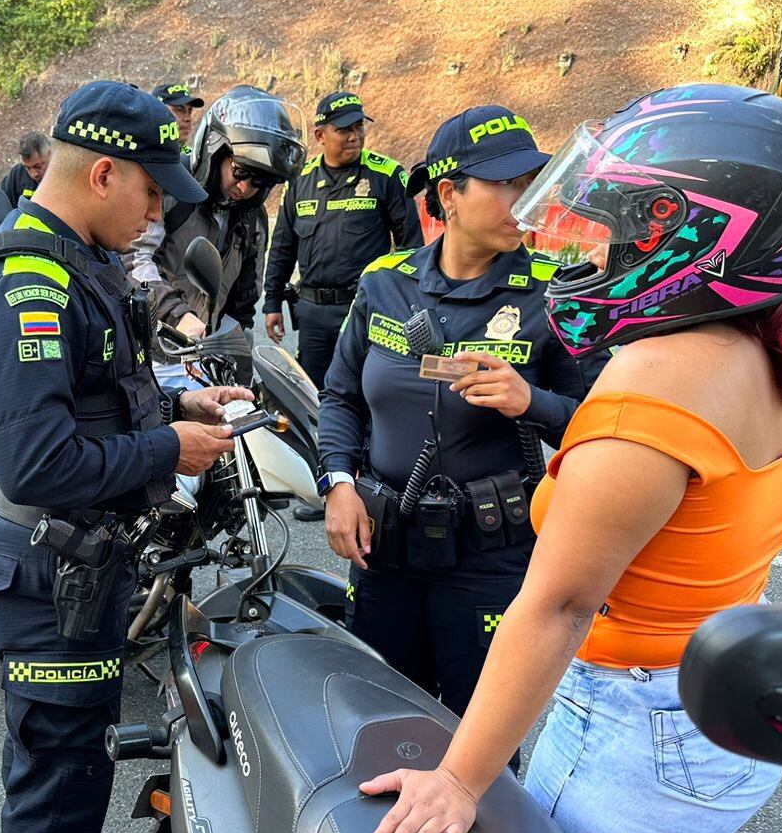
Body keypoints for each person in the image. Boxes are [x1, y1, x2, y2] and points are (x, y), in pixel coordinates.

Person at [359, 84, 782, 833]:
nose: (590, 247)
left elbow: (552, 607)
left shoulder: (653, 390)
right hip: (715, 708)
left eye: (617, 229)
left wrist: (459, 779)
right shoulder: (773, 352)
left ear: (694, 238)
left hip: (631, 728)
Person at [0, 80, 246, 833]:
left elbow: (98, 396)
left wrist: (174, 409)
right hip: (49, 566)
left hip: (77, 561)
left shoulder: (79, 263)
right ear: (104, 172)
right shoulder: (27, 281)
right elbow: (39, 461)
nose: (158, 212)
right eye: (151, 194)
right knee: (63, 776)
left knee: (53, 759)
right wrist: (172, 453)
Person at [319, 105, 601, 738]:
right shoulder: (384, 284)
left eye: (531, 183)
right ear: (449, 194)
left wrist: (533, 402)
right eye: (506, 185)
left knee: (479, 740)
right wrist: (337, 484)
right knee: (380, 726)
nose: (522, 200)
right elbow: (340, 397)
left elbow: (606, 427)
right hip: (384, 548)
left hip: (489, 557)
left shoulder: (555, 294)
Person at [130, 85, 304, 378]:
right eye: (241, 171)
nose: (245, 188)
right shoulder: (173, 192)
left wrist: (236, 358)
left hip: (202, 362)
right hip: (147, 356)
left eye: (260, 182)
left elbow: (244, 301)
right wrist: (177, 314)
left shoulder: (253, 219)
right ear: (215, 150)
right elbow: (134, 259)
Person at [263, 91, 422, 391]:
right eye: (344, 129)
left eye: (358, 127)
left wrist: (405, 306)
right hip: (312, 314)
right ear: (320, 135)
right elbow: (283, 245)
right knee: (313, 394)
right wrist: (272, 301)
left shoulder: (386, 175)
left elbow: (411, 249)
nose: (355, 136)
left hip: (365, 308)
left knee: (365, 392)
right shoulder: (300, 180)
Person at [0, 132, 51, 206]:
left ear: (51, 154)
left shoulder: (66, 176)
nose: (33, 174)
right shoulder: (16, 176)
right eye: (27, 168)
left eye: (38, 167)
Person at [152, 82, 204, 148]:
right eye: (180, 110)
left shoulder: (193, 156)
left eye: (190, 111)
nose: (188, 118)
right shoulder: (140, 153)